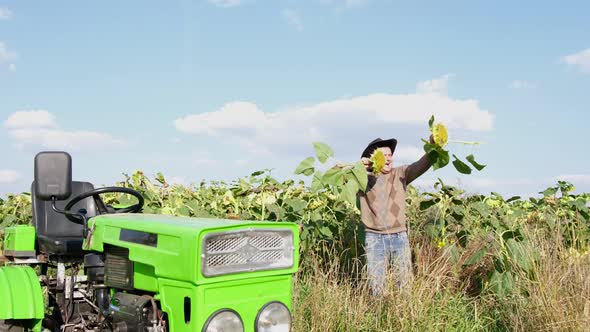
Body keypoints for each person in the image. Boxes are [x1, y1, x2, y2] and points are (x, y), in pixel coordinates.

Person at [358, 136, 432, 295]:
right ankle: (378, 317)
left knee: (404, 285)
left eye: (390, 155)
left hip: (400, 237)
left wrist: (434, 147)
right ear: (372, 158)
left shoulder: (401, 174)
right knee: (377, 286)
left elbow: (422, 164)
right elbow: (337, 173)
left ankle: (403, 317)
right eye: (383, 156)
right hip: (374, 237)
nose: (388, 159)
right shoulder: (362, 178)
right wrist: (361, 166)